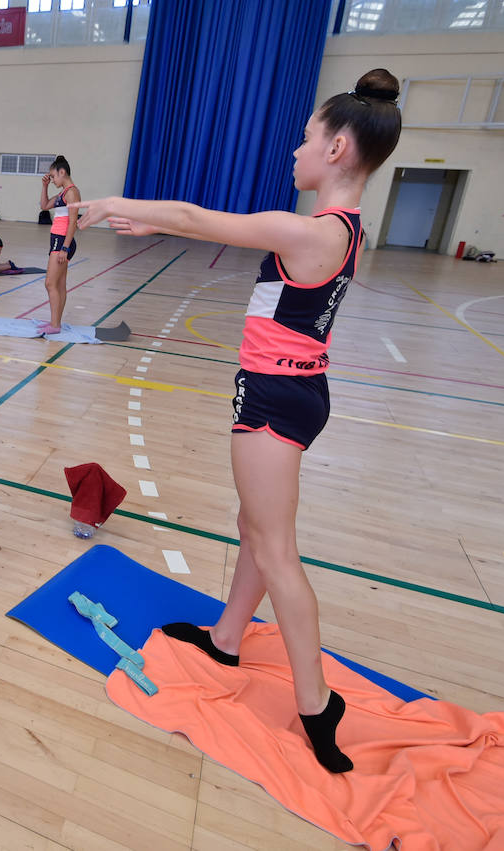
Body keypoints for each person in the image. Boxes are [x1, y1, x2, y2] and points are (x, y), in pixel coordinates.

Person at [72, 69, 402, 774]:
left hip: (276, 401)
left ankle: (318, 704)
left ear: (339, 147)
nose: (295, 149)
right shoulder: (342, 229)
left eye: (307, 138)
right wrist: (151, 218)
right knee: (256, 528)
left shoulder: (310, 230)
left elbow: (197, 220)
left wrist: (119, 205)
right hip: (291, 393)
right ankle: (226, 635)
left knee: (276, 548)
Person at [37, 156, 79, 334]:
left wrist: (65, 247)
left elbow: (72, 222)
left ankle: (54, 325)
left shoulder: (72, 192)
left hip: (62, 242)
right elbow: (44, 205)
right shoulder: (63, 192)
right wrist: (45, 186)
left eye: (53, 176)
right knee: (60, 284)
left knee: (50, 283)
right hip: (58, 240)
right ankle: (56, 323)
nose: (52, 179)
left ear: (62, 172)